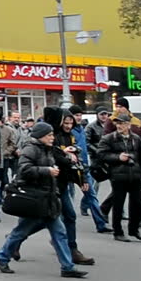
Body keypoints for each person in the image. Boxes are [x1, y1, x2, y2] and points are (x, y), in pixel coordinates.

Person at [0, 123, 88, 278]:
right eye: (49, 135)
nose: (52, 137)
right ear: (41, 136)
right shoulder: (31, 149)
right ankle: (2, 257)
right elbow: (23, 170)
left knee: (59, 233)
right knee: (21, 231)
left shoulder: (47, 149)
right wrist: (46, 171)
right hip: (34, 198)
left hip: (47, 198)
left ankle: (67, 267)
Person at [47, 107, 95, 265]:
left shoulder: (71, 137)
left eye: (70, 123)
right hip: (49, 183)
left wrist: (82, 181)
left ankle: (72, 249)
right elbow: (54, 156)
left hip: (63, 183)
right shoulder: (52, 136)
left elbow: (77, 161)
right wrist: (66, 155)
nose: (68, 126)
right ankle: (13, 242)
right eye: (65, 122)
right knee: (38, 220)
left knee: (69, 216)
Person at [99, 113, 141, 242]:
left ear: (129, 124)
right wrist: (118, 158)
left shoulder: (136, 139)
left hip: (135, 175)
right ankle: (118, 232)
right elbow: (101, 154)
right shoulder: (108, 138)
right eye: (117, 123)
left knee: (139, 202)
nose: (119, 126)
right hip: (118, 176)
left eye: (122, 123)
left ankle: (133, 229)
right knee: (118, 205)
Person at [68, 105, 112, 233]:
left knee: (92, 195)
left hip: (84, 167)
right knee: (68, 197)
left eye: (80, 115)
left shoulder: (82, 128)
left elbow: (84, 147)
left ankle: (101, 224)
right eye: (76, 115)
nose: (79, 117)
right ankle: (66, 227)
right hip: (69, 167)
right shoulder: (67, 131)